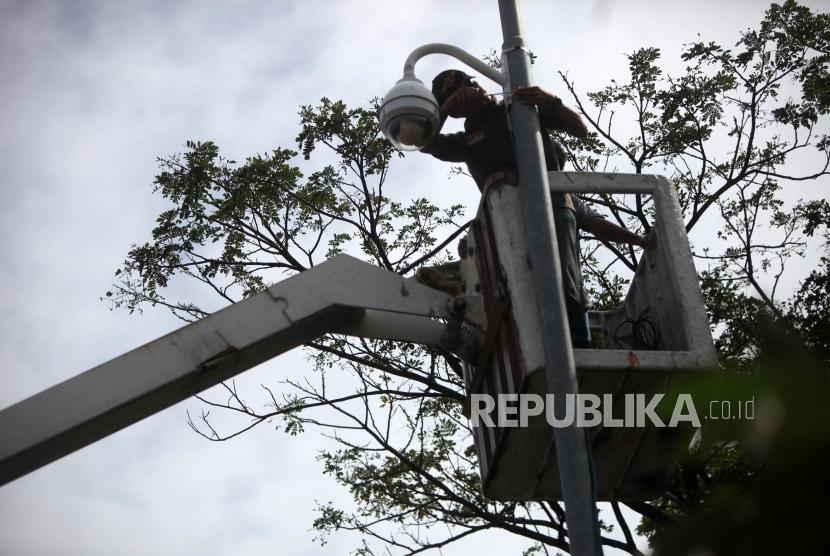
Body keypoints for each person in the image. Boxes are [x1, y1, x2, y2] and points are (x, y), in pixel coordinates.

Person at [419, 69, 651, 348]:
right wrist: (445, 108)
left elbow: (580, 131)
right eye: (457, 103)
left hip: (551, 206)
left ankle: (578, 345)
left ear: (477, 84)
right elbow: (425, 142)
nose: (466, 99)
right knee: (516, 288)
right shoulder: (465, 142)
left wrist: (550, 100)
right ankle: (529, 344)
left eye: (467, 89)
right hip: (506, 223)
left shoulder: (517, 110)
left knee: (562, 280)